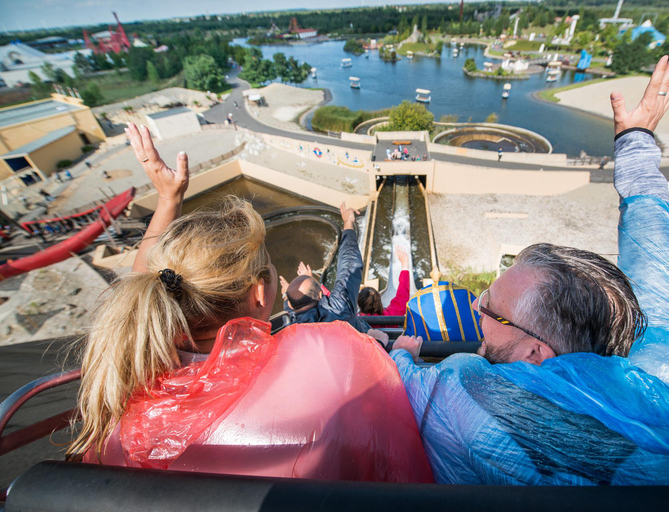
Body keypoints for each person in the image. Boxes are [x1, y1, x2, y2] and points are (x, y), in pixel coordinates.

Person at [387, 55, 669, 490]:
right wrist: (636, 142)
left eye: (490, 310)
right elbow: (657, 273)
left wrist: (399, 350)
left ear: (536, 354)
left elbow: (401, 380)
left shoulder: (466, 399)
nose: (475, 306)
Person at [66, 122, 433, 483]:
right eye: (272, 269)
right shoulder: (328, 352)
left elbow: (148, 281)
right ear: (260, 293)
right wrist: (399, 355)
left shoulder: (134, 373)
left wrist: (168, 200)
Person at [281, 203, 371, 334]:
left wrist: (286, 294)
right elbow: (349, 265)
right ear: (319, 294)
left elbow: (289, 307)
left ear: (290, 305)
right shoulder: (340, 307)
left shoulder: (290, 329)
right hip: (363, 345)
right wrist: (348, 222)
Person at [358, 246, 411, 319]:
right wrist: (405, 264)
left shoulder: (355, 322)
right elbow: (402, 297)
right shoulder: (389, 317)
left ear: (359, 304)